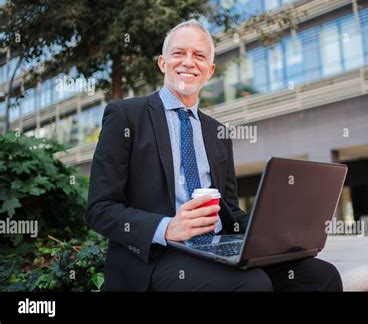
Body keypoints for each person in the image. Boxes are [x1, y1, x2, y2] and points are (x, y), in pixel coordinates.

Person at [85, 19, 343, 292]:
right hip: (157, 256)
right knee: (253, 284)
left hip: (217, 246)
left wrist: (275, 235)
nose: (188, 62)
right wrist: (167, 227)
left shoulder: (218, 132)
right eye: (178, 53)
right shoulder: (125, 116)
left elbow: (229, 209)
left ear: (209, 71)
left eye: (198, 56)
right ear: (162, 63)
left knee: (322, 276)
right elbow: (100, 210)